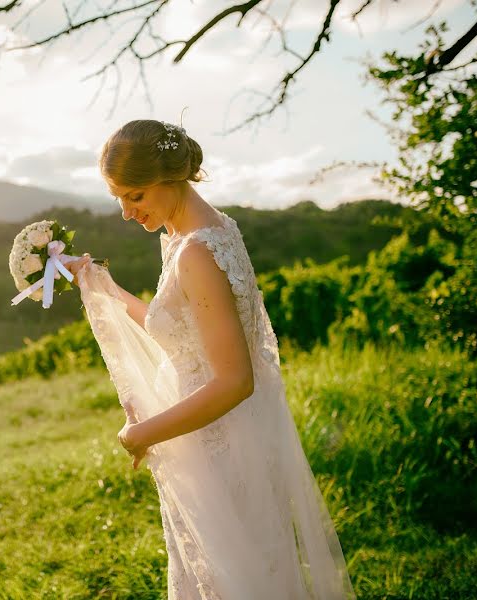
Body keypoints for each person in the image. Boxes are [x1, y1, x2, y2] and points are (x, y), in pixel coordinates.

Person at [65, 119, 356, 599]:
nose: (125, 212)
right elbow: (177, 332)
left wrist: (141, 432)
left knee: (233, 580)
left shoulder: (196, 252)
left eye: (135, 195)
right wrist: (99, 283)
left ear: (169, 175)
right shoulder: (199, 232)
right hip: (212, 435)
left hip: (219, 443)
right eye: (120, 197)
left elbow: (234, 380)